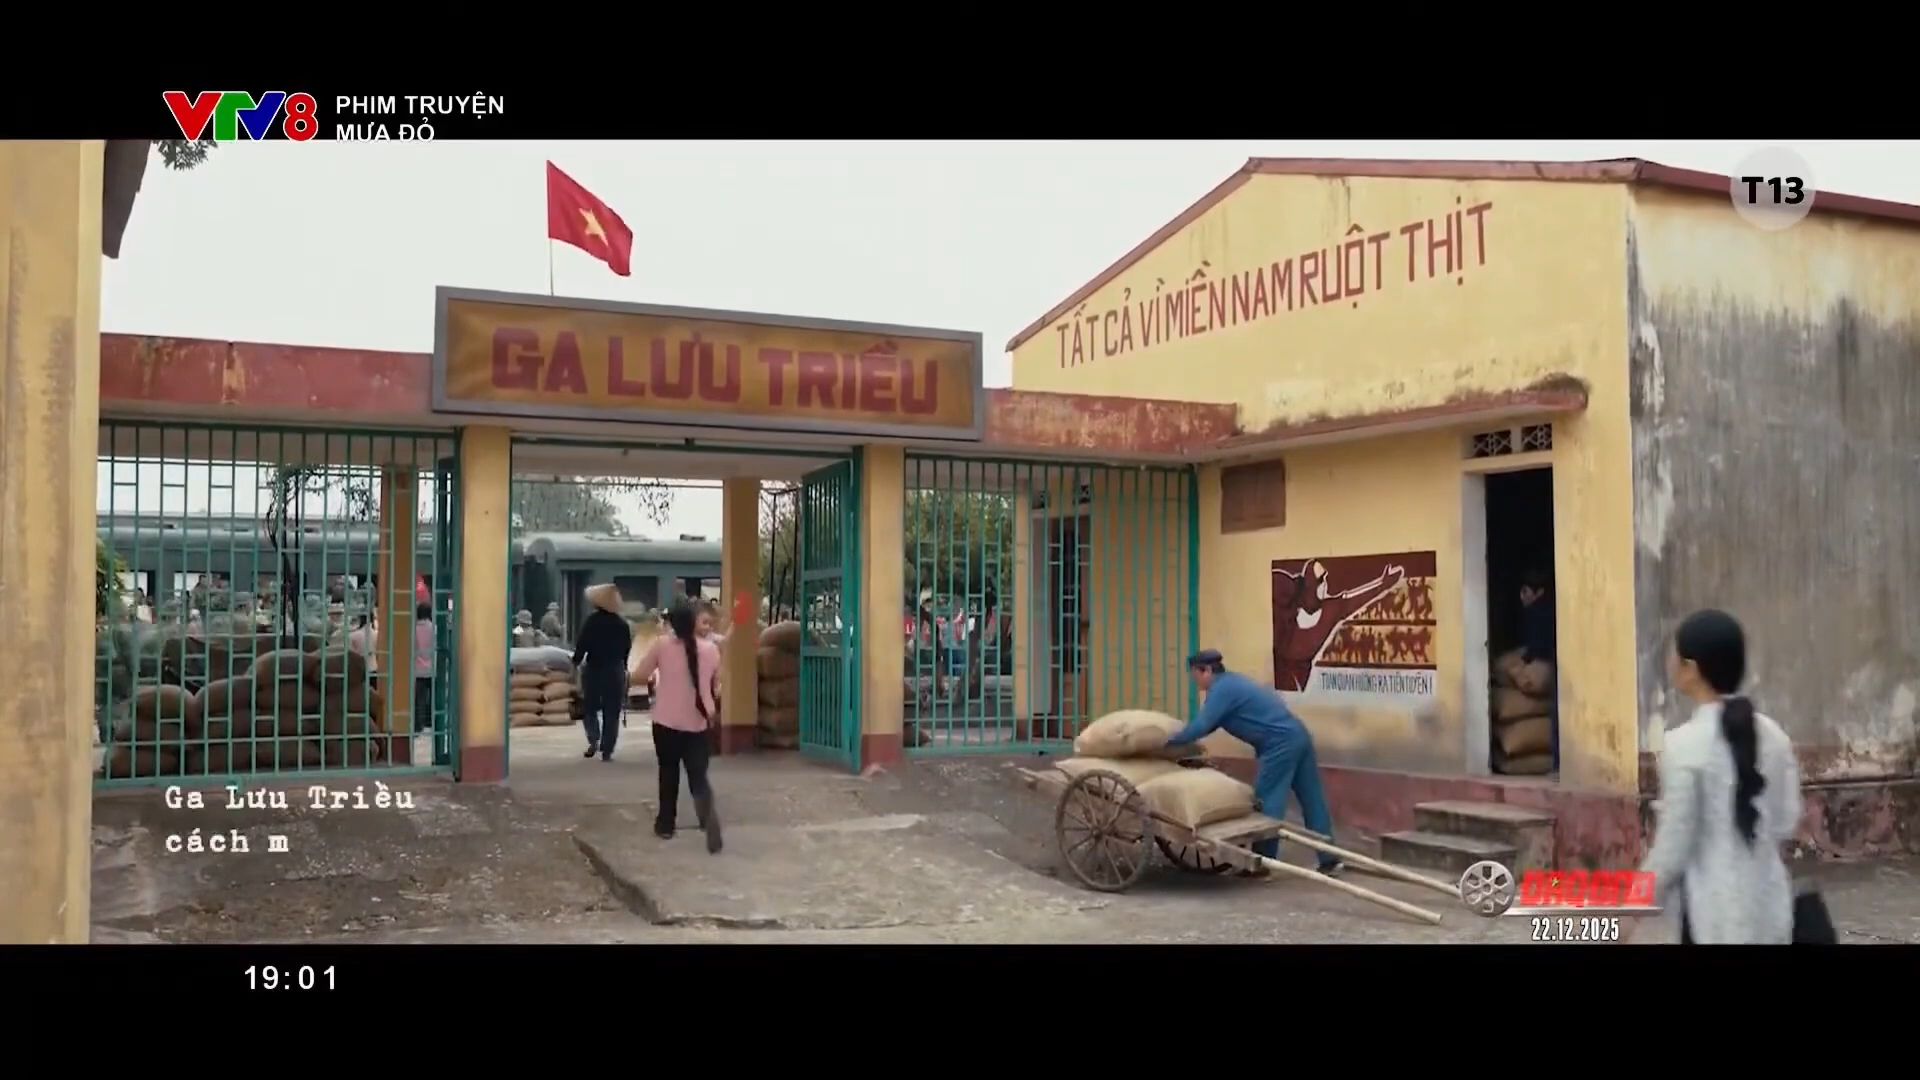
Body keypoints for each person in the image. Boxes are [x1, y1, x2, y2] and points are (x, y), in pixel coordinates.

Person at [1639, 609, 1800, 944]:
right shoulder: (1775, 737)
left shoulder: (1683, 745)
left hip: (1711, 918)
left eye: (1674, 656)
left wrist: (1634, 905)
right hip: (1770, 910)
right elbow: (1786, 821)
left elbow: (1673, 849)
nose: (1670, 663)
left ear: (1691, 669)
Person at [1165, 649, 1343, 876]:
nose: (1195, 682)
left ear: (1206, 671)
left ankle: (1262, 863)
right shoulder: (1234, 682)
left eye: (1195, 676)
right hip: (1298, 735)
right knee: (1312, 799)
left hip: (1279, 744)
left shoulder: (1221, 690)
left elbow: (1203, 725)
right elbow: (1210, 724)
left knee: (1267, 801)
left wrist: (1169, 741)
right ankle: (1330, 859)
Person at [630, 599, 723, 852]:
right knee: (698, 776)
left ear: (673, 623)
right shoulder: (711, 649)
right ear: (694, 623)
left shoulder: (662, 645)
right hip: (699, 722)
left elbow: (640, 676)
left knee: (668, 772)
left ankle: (666, 825)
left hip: (666, 722)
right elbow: (716, 686)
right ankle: (706, 817)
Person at [572, 582, 633, 761]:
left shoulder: (592, 621)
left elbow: (582, 644)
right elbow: (627, 649)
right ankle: (607, 750)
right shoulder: (622, 624)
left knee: (589, 707)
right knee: (611, 712)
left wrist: (575, 662)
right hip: (615, 670)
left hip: (594, 668)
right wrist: (624, 667)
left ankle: (594, 739)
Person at [1517, 568, 1558, 768]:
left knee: (1556, 715)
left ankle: (1558, 763)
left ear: (1539, 592)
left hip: (1551, 664)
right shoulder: (1548, 609)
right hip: (1553, 663)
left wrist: (1524, 659)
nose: (1522, 597)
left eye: (1526, 591)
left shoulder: (1537, 611)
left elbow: (1538, 646)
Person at [413, 602, 435, 734]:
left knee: (419, 699)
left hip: (418, 668)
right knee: (432, 697)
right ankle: (431, 720)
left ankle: (418, 724)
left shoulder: (414, 629)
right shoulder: (433, 628)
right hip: (432, 667)